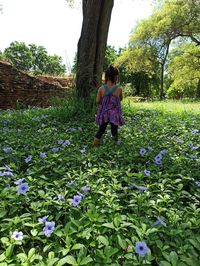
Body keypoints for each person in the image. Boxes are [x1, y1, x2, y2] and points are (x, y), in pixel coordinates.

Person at [93, 65, 124, 146]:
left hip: (104, 113)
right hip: (114, 113)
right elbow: (120, 99)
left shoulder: (101, 89)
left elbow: (97, 101)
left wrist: (104, 103)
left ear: (106, 76)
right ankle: (115, 147)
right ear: (116, 77)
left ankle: (94, 146)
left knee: (101, 130)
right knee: (114, 131)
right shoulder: (119, 89)